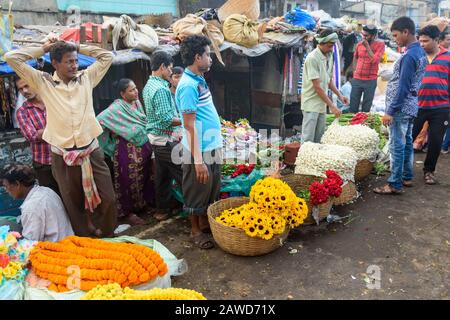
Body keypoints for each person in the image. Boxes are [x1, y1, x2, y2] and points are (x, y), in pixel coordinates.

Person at [5, 40, 117, 237]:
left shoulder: (86, 77)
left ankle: (107, 234)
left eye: (75, 61)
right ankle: (85, 241)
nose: (74, 65)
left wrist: (78, 47)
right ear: (55, 63)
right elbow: (11, 58)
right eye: (69, 61)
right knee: (73, 204)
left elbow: (107, 56)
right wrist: (44, 49)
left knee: (108, 198)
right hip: (62, 155)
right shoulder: (43, 82)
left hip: (91, 150)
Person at [176, 35, 223, 249]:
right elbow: (189, 125)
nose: (211, 59)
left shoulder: (198, 79)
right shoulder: (187, 86)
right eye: (208, 54)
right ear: (197, 57)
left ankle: (204, 223)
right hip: (199, 150)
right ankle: (195, 231)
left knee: (210, 187)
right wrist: (197, 160)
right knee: (196, 189)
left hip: (211, 146)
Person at [374, 17, 427, 195]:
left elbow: (403, 87)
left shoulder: (410, 55)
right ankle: (407, 176)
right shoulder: (419, 52)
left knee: (397, 145)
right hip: (411, 105)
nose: (395, 39)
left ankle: (394, 184)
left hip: (401, 107)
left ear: (406, 32)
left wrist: (390, 111)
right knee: (406, 143)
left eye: (396, 35)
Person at [97, 79, 155, 225]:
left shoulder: (137, 102)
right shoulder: (116, 108)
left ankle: (142, 205)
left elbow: (141, 121)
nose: (136, 92)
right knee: (126, 181)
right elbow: (99, 120)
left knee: (144, 177)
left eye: (135, 88)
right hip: (126, 150)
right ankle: (126, 213)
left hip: (143, 147)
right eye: (131, 90)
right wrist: (112, 141)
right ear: (123, 94)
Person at [144, 51, 183, 222]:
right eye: (170, 69)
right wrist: (187, 120)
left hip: (157, 139)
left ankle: (162, 210)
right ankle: (193, 212)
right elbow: (166, 119)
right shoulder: (160, 89)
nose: (170, 72)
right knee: (185, 173)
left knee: (163, 176)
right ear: (162, 67)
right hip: (164, 140)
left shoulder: (149, 84)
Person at [412, 25, 450, 184]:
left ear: (436, 40)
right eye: (420, 41)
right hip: (417, 105)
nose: (422, 44)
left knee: (435, 141)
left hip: (440, 107)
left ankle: (429, 171)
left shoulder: (447, 57)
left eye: (426, 41)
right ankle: (398, 166)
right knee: (408, 137)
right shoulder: (416, 56)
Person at [0, 164, 73, 242]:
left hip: (56, 249)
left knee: (3, 225)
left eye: (6, 186)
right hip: (67, 240)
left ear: (17, 184)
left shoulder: (31, 207)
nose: (7, 191)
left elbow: (30, 245)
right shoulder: (46, 190)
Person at [301, 29, 347, 143]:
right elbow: (317, 87)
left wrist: (340, 95)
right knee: (308, 139)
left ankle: (315, 160)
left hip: (322, 104)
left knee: (319, 138)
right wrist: (332, 106)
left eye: (332, 46)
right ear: (321, 43)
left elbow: (328, 80)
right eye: (329, 46)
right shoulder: (312, 58)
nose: (331, 49)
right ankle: (304, 160)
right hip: (311, 103)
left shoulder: (329, 56)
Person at [15, 77, 59, 194]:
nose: (24, 91)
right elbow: (32, 136)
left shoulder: (54, 101)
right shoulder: (22, 111)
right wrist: (58, 129)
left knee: (71, 196)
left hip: (64, 158)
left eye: (27, 86)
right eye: (20, 89)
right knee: (51, 198)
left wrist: (42, 132)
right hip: (43, 164)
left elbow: (68, 124)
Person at [349, 25, 385, 113]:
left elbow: (375, 60)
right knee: (353, 107)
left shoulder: (380, 44)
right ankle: (352, 126)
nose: (364, 37)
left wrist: (367, 47)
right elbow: (355, 58)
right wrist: (354, 72)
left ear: (373, 36)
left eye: (366, 36)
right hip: (357, 79)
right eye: (363, 35)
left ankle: (363, 126)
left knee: (366, 108)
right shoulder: (359, 44)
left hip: (370, 80)